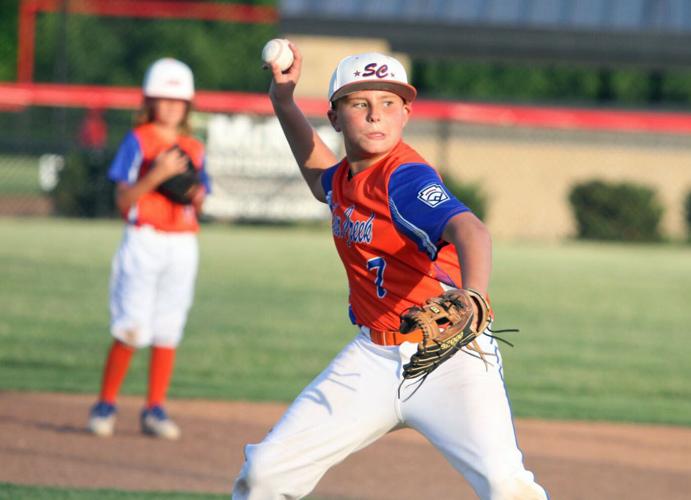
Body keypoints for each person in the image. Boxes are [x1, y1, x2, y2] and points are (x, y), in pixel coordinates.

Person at [232, 44, 548, 499]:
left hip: (450, 357)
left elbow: (470, 229)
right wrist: (283, 101)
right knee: (265, 472)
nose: (375, 115)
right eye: (360, 103)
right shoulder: (346, 177)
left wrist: (474, 295)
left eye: (388, 103)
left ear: (405, 114)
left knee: (505, 485)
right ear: (336, 118)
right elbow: (320, 178)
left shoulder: (405, 178)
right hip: (373, 359)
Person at [87, 58, 211, 440]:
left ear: (188, 105)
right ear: (149, 101)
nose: (172, 106)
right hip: (144, 239)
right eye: (164, 98)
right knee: (130, 326)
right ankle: (106, 403)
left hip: (183, 243)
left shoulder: (194, 146)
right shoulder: (137, 140)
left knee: (168, 327)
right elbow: (123, 200)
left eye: (179, 100)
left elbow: (200, 199)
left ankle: (154, 408)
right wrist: (156, 175)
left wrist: (193, 190)